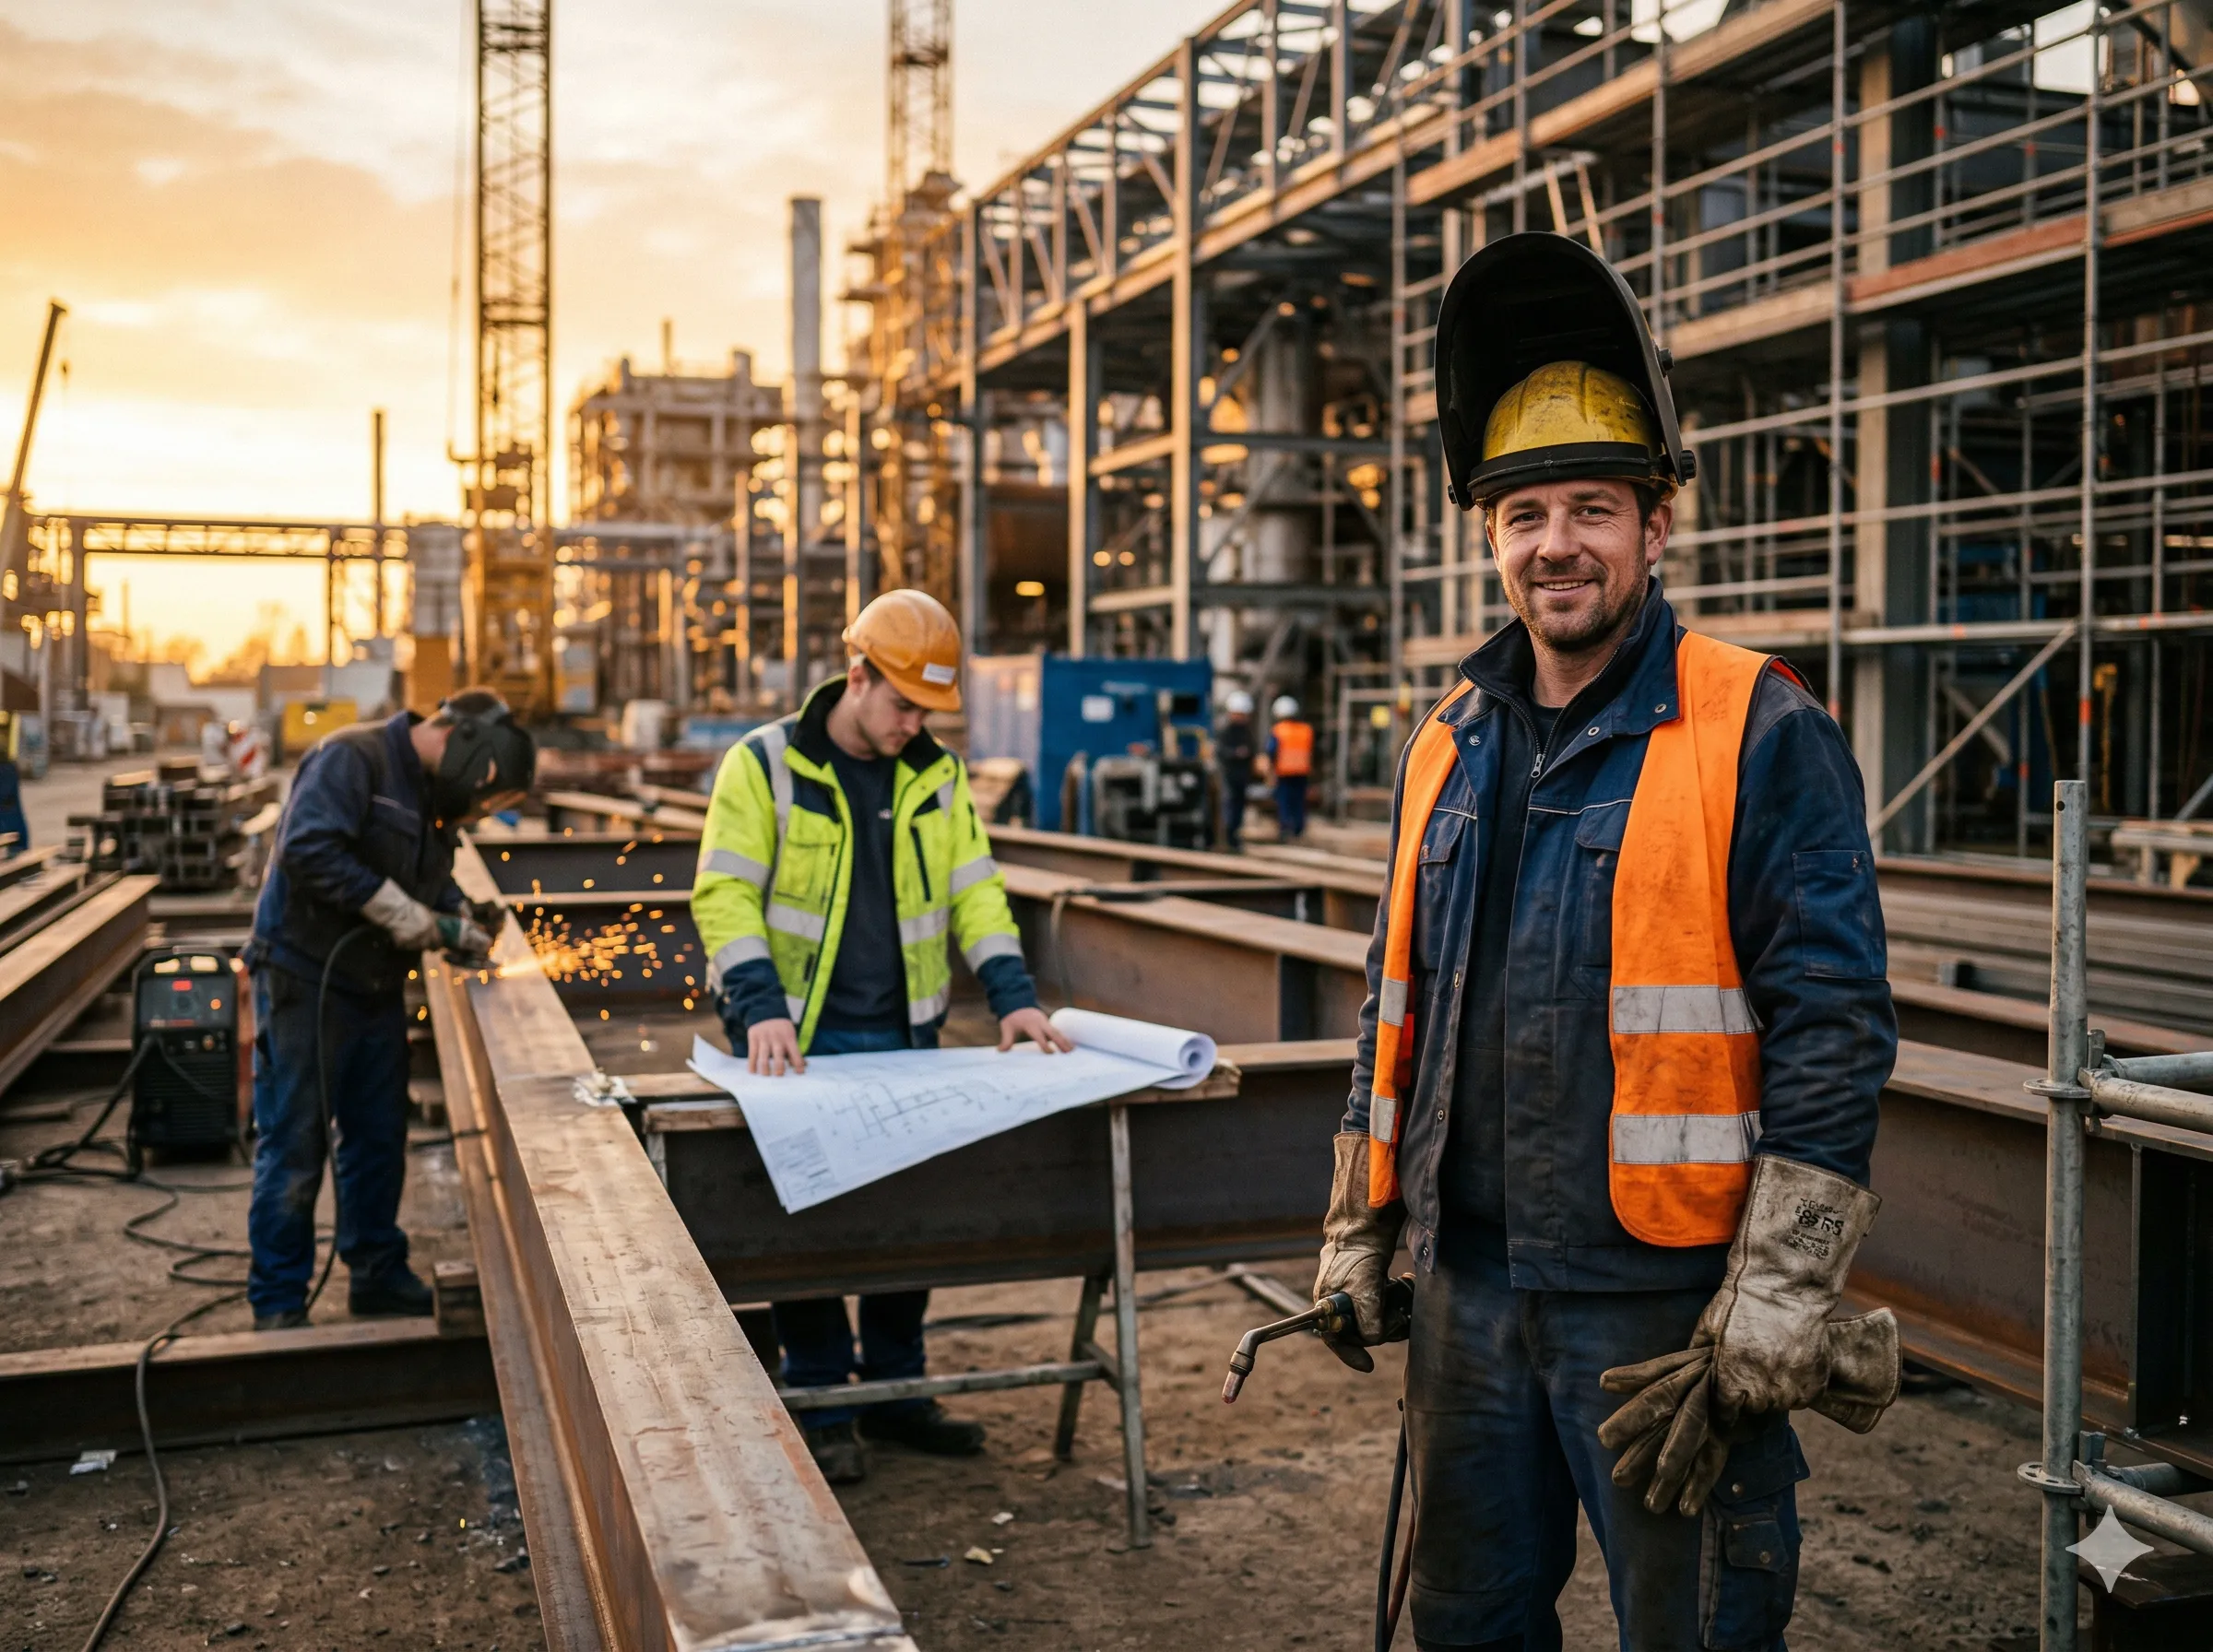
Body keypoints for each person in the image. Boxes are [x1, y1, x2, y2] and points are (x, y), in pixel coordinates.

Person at [1311, 232, 1900, 1651]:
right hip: (1466, 1298)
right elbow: (1395, 1005)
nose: (1555, 542)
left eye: (1591, 507)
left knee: (1693, 1626)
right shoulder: (1444, 744)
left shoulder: (1758, 724)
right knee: (1471, 1622)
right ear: (1489, 537)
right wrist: (1360, 1221)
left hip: (1657, 1304)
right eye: (1523, 513)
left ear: (1657, 526)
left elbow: (1834, 1021)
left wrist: (1784, 1286)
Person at [692, 587, 1072, 1485]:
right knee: (813, 1219)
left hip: (905, 1035)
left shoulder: (934, 776)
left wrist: (1014, 996)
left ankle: (898, 1389)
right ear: (857, 675)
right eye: (903, 704)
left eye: (927, 710)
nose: (913, 725)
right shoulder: (765, 764)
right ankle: (823, 1397)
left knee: (908, 1216)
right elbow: (725, 893)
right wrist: (761, 1006)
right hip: (796, 1041)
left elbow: (976, 890)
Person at [244, 690, 533, 1331]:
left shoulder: (431, 793)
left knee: (378, 1136)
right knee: (296, 1142)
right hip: (304, 978)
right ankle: (279, 1300)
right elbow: (308, 850)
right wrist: (411, 918)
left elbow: (426, 875)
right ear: (463, 743)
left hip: (373, 984)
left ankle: (375, 1273)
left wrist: (458, 914)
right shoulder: (354, 758)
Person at [1266, 694, 1312, 842]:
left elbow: (1271, 751)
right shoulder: (1306, 730)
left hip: (1284, 773)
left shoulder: (1279, 730)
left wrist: (1270, 771)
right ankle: (1298, 829)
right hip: (1301, 772)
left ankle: (1285, 830)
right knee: (1299, 802)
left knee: (1285, 803)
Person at [1216, 689, 1257, 849]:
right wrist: (1235, 753)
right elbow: (1220, 751)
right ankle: (1228, 837)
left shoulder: (1247, 733)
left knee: (1239, 807)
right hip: (1229, 775)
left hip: (1242, 776)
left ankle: (1235, 836)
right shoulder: (1226, 732)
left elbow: (1252, 750)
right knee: (1229, 806)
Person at [0, 710, 27, 853]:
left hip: (6, 766)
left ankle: (18, 848)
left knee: (8, 809)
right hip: (7, 765)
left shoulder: (8, 718)